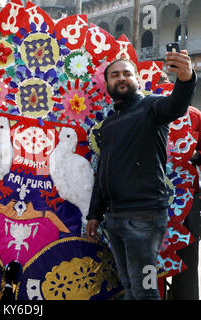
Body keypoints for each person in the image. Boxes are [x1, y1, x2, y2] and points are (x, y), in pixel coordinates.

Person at [85, 50, 196, 300]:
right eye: (115, 75)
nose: (121, 78)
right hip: (114, 219)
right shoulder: (109, 125)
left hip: (144, 218)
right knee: (130, 287)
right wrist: (95, 214)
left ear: (137, 80)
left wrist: (187, 79)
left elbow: (176, 105)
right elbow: (103, 172)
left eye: (127, 73)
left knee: (145, 291)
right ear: (107, 84)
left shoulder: (151, 107)